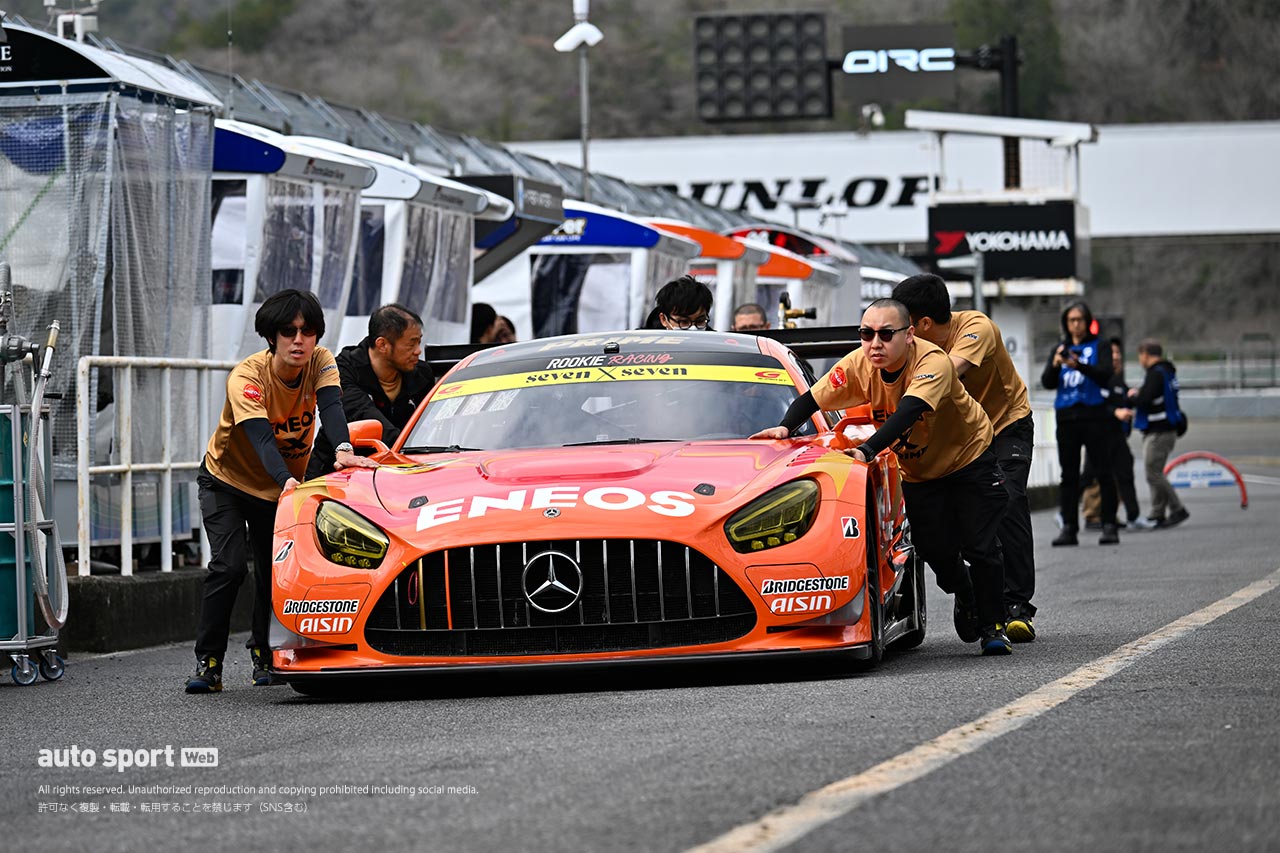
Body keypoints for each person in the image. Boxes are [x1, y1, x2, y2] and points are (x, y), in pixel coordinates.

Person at [752, 298, 1012, 655]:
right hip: (921, 472)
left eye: (886, 334)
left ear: (908, 335)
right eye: (866, 334)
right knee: (935, 550)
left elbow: (908, 411)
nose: (875, 344)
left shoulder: (933, 361)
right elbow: (813, 398)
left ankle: (993, 627)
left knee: (981, 544)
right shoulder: (860, 363)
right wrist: (784, 428)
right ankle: (965, 592)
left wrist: (867, 450)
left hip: (969, 458)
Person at [186, 290, 379, 694]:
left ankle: (264, 655)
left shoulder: (322, 362)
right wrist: (285, 480)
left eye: (307, 332)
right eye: (288, 332)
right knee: (230, 566)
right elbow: (260, 438)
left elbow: (331, 409)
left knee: (273, 571)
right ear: (271, 336)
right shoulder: (247, 376)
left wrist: (344, 451)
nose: (298, 340)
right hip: (227, 481)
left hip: (278, 489)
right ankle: (209, 663)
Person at [892, 274, 1038, 642]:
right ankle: (967, 588)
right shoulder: (906, 347)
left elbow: (944, 374)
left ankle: (1017, 604)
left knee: (1008, 501)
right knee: (938, 534)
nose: (897, 335)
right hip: (957, 440)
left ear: (922, 324)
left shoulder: (975, 327)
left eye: (901, 326)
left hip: (1005, 425)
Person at [304, 304, 436, 480]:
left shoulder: (422, 374)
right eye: (411, 344)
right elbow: (365, 415)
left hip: (401, 470)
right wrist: (410, 448)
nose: (418, 351)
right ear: (382, 344)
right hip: (336, 474)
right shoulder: (343, 370)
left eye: (419, 341)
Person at [1041, 301, 1121, 547]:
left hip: (1094, 414)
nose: (1075, 324)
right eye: (1071, 320)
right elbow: (1047, 382)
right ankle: (1069, 527)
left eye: (1079, 319)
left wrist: (1080, 366)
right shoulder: (1060, 348)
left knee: (1103, 471)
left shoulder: (1101, 345)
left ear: (1087, 321)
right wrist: (1056, 364)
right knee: (1069, 475)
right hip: (1067, 417)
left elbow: (1106, 374)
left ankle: (1109, 524)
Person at [1080, 338, 1153, 531]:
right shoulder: (1097, 379)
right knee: (1089, 477)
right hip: (1098, 435)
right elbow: (1095, 404)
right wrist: (1115, 412)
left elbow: (1120, 396)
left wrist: (1130, 397)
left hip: (1116, 435)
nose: (1116, 356)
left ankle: (1132, 517)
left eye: (1118, 353)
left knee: (1124, 473)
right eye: (1112, 353)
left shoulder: (1118, 378)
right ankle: (1067, 513)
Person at [1118, 339, 1189, 528]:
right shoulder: (1167, 372)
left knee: (1153, 472)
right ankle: (1158, 513)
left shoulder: (1155, 374)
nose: (1140, 359)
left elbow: (1145, 399)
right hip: (1167, 429)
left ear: (1146, 354)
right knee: (1155, 471)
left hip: (1159, 431)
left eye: (1140, 355)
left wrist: (1132, 397)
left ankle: (1177, 508)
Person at [642, 274, 713, 331]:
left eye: (700, 321)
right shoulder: (642, 345)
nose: (693, 328)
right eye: (683, 322)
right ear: (663, 319)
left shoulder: (717, 345)